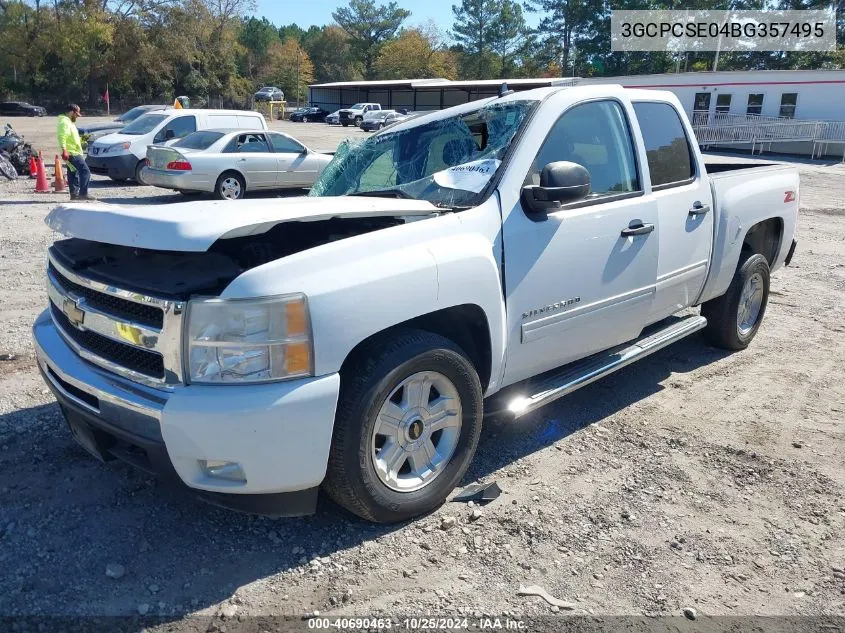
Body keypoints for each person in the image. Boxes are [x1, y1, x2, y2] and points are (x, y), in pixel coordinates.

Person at [57, 104, 95, 201]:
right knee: (85, 171)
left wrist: (82, 139)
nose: (77, 116)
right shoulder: (64, 123)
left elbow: (72, 138)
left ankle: (74, 194)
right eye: (76, 114)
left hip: (72, 151)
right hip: (71, 152)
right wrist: (64, 150)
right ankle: (83, 194)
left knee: (73, 172)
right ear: (71, 112)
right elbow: (62, 137)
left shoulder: (70, 122)